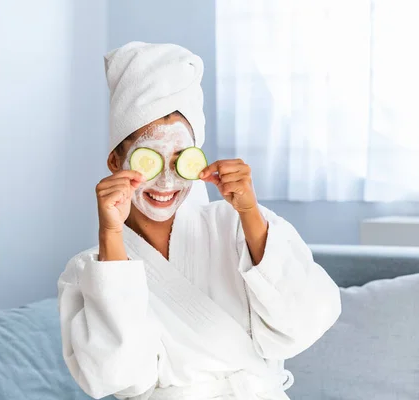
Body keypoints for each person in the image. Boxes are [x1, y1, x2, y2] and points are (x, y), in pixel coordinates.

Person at [58, 41, 341, 400]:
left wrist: (250, 213)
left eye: (180, 158)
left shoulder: (234, 226)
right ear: (116, 161)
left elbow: (304, 322)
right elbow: (119, 375)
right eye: (150, 159)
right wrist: (111, 233)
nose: (164, 181)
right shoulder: (86, 271)